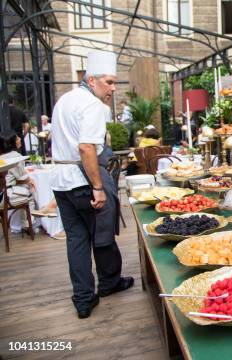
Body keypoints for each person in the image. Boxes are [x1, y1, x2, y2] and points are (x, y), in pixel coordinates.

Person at [51, 50, 133, 319]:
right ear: (92, 79)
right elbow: (86, 147)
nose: (112, 88)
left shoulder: (65, 100)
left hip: (61, 181)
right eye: (109, 82)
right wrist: (98, 187)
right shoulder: (95, 106)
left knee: (76, 240)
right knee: (102, 232)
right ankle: (109, 283)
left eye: (114, 83)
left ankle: (84, 299)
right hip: (83, 180)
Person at [0, 134, 40, 234]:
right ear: (12, 142)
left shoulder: (2, 156)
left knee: (26, 190)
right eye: (17, 138)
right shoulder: (14, 156)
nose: (20, 139)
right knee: (30, 195)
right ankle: (29, 225)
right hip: (7, 194)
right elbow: (21, 176)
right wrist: (30, 179)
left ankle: (22, 224)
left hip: (2, 193)